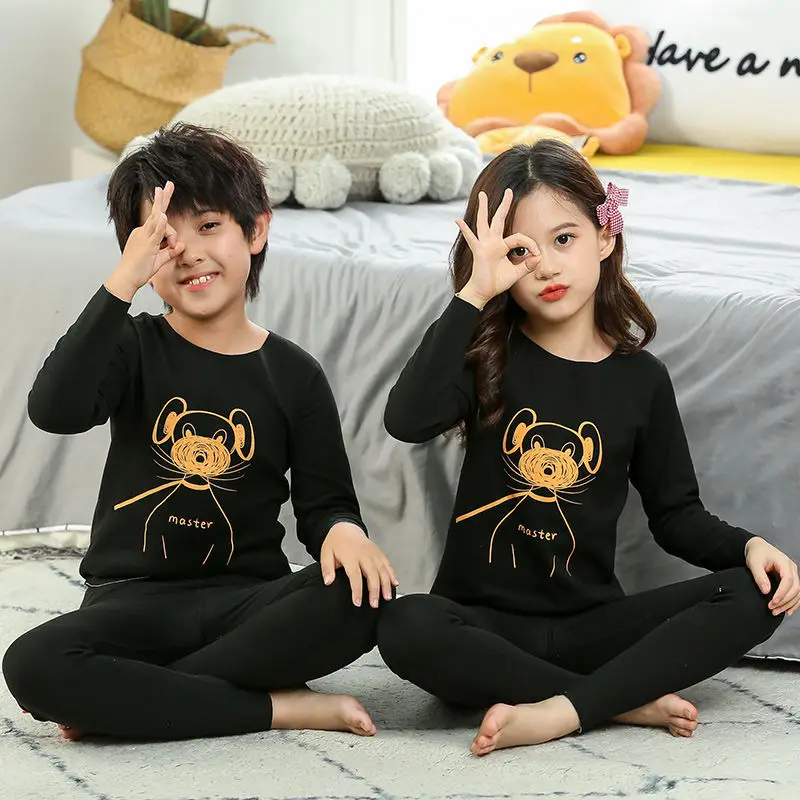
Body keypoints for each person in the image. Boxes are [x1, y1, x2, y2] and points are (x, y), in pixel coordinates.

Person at [377, 139, 799, 756]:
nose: (545, 267)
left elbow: (676, 515)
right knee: (404, 623)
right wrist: (472, 295)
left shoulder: (641, 379)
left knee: (754, 595)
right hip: (483, 627)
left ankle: (560, 709)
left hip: (592, 627)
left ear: (604, 236)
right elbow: (406, 420)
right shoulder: (486, 357)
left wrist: (749, 546)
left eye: (564, 239)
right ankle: (613, 701)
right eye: (520, 252)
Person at [3, 123, 398, 742]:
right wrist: (121, 284)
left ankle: (133, 699)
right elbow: (55, 410)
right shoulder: (131, 344)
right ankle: (274, 707)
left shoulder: (294, 374)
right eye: (163, 238)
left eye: (209, 226)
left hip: (247, 603)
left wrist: (346, 532)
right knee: (31, 663)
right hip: (132, 600)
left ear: (256, 230)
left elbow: (326, 505)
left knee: (363, 594)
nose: (187, 252)